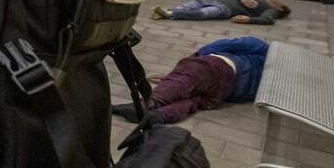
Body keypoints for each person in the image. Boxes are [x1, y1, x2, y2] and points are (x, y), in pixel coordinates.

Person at [113, 37, 268, 124]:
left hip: (220, 66)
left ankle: (143, 105)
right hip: (227, 91)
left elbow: (216, 46)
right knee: (194, 101)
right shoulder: (268, 75)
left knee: (189, 75)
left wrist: (178, 70)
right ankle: (160, 115)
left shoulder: (261, 47)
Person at [153, 0, 289, 24]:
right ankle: (167, 12)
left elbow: (267, 20)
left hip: (224, 10)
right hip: (214, 0)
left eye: (278, 2)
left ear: (280, 8)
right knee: (191, 5)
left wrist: (249, 19)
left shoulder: (271, 10)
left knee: (202, 14)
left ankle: (170, 14)